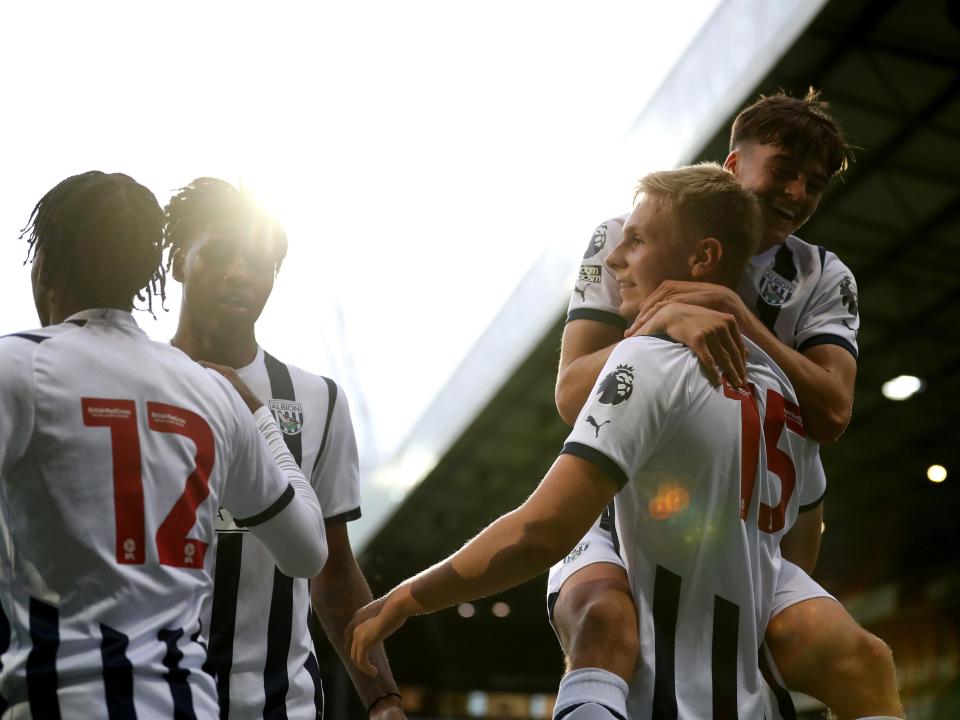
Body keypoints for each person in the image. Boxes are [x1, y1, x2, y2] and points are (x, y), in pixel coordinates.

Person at [349, 163, 829, 718]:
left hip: (661, 702)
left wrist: (405, 600)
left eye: (637, 240)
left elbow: (541, 529)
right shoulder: (783, 393)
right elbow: (801, 547)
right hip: (760, 703)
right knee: (864, 662)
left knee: (600, 617)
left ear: (702, 259)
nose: (615, 257)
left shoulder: (646, 359)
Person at [552, 90, 903, 719]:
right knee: (602, 619)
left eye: (814, 185)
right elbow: (572, 392)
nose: (797, 195)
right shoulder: (625, 234)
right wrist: (659, 328)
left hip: (745, 528)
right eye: (784, 171)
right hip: (622, 507)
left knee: (862, 659)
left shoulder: (824, 277)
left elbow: (833, 414)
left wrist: (736, 316)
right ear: (736, 166)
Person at [0, 171, 328, 718]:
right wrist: (262, 419)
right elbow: (308, 552)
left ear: (47, 267)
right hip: (187, 703)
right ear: (151, 271)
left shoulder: (20, 365)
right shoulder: (212, 393)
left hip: (62, 701)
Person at [165, 178, 405, 720]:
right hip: (155, 698)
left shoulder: (318, 399)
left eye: (257, 261)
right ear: (179, 260)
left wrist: (383, 699)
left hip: (280, 705)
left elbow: (334, 567)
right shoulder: (129, 385)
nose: (237, 274)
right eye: (219, 254)